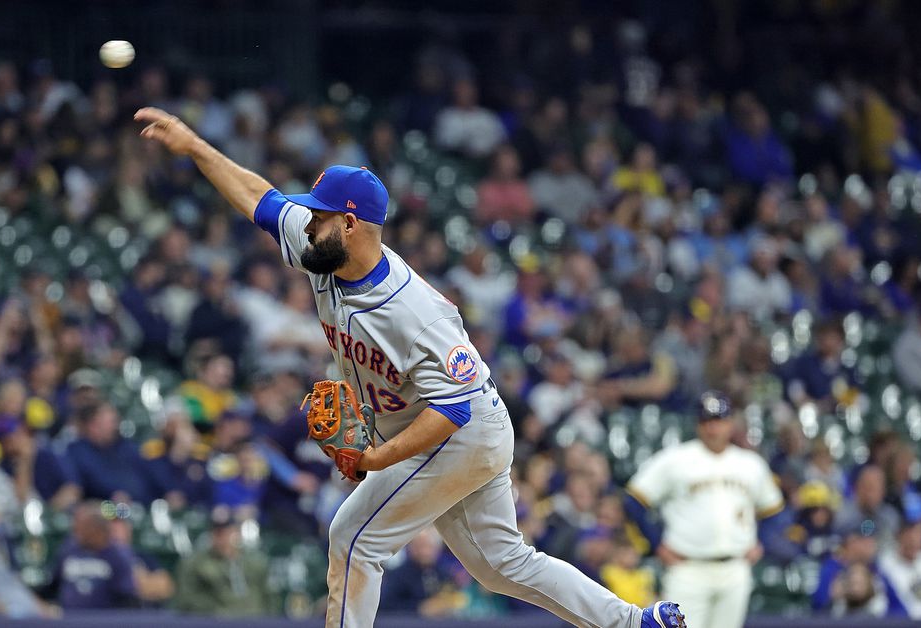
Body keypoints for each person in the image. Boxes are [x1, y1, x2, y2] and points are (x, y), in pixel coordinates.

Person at [137, 107, 684, 628]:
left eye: (321, 215)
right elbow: (261, 198)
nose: (307, 223)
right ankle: (634, 621)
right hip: (448, 426)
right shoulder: (322, 249)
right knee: (502, 566)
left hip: (462, 431)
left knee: (353, 538)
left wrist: (376, 458)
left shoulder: (413, 312)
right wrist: (195, 147)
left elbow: (453, 410)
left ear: (350, 225)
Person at [625, 391, 783, 628]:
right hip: (687, 568)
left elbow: (772, 509)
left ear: (730, 423)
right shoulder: (675, 459)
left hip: (735, 567)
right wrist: (655, 544)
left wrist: (760, 541)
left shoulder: (750, 464)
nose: (713, 428)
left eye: (718, 421)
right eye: (706, 421)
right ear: (698, 425)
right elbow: (634, 500)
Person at [175, 511, 273, 616]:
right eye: (219, 534)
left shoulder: (256, 562)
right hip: (215, 621)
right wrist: (219, 610)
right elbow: (186, 599)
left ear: (237, 534)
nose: (224, 539)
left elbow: (270, 595)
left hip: (257, 620)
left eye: (229, 533)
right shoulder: (195, 564)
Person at [47, 502, 139, 609]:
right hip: (68, 620)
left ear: (97, 528)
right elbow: (52, 586)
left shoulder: (117, 555)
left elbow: (126, 596)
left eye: (82, 527)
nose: (76, 531)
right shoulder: (68, 550)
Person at [65, 402, 154, 504]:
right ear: (93, 426)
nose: (115, 427)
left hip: (140, 506)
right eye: (111, 422)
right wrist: (114, 494)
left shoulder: (125, 447)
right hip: (106, 509)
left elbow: (147, 475)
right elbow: (89, 482)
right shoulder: (77, 451)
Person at [379, 528, 465, 617]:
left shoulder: (444, 574)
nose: (424, 552)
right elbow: (386, 606)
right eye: (420, 546)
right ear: (411, 548)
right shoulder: (398, 576)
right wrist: (419, 608)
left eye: (429, 546)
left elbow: (456, 599)